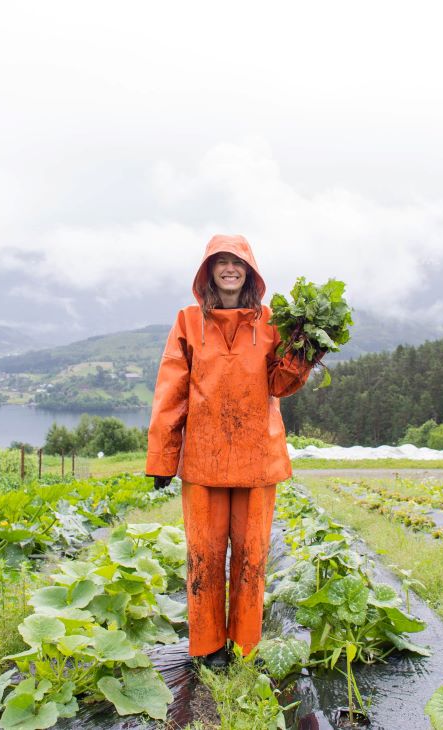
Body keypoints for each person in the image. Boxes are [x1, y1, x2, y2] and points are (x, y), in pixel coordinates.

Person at [146, 234, 317, 667]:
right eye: (220, 261)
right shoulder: (187, 321)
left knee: (251, 556)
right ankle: (206, 647)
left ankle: (244, 645)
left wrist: (304, 353)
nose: (229, 268)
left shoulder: (272, 321)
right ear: (207, 271)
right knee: (203, 555)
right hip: (204, 461)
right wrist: (163, 457)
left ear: (250, 270)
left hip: (258, 458)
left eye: (237, 261)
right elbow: (172, 392)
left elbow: (280, 384)